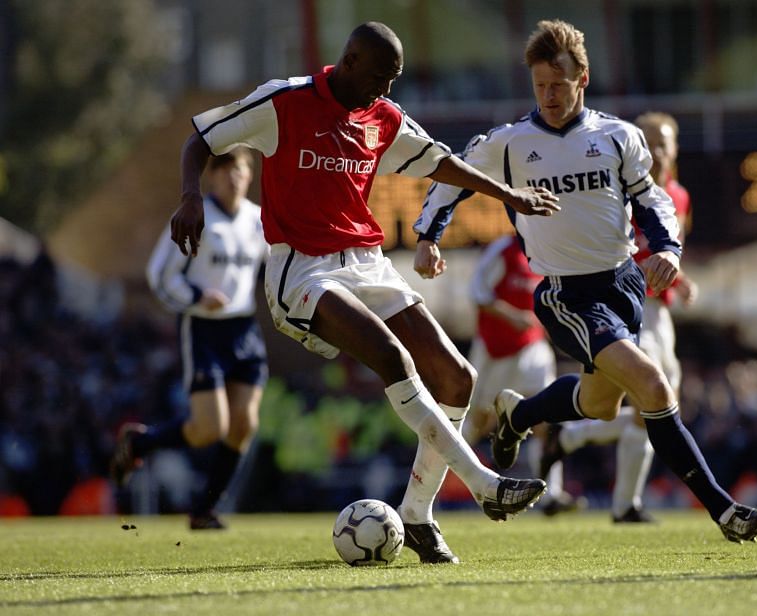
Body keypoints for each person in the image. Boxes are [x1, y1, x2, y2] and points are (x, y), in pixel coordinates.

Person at [167, 22, 561, 563]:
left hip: (369, 264)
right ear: (349, 61)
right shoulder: (284, 101)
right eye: (380, 76)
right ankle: (483, 482)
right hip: (303, 271)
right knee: (392, 357)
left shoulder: (383, 116)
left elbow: (439, 161)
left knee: (457, 376)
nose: (388, 90)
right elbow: (201, 139)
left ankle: (418, 517)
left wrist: (508, 194)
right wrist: (190, 196)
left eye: (394, 79)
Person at [413, 19, 757, 543]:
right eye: (540, 86)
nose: (549, 96)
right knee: (652, 385)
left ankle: (520, 414)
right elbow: (451, 175)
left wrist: (669, 251)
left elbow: (652, 201)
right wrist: (427, 235)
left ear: (582, 78)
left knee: (603, 404)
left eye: (558, 85)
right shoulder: (511, 143)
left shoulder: (617, 136)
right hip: (566, 294)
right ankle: (725, 511)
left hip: (624, 286)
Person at [537, 111, 699, 523]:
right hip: (624, 309)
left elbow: (663, 251)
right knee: (656, 403)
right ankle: (624, 501)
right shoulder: (617, 188)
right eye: (649, 142)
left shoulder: (678, 196)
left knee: (656, 407)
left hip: (660, 311)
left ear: (676, 149)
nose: (657, 152)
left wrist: (680, 280)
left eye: (664, 143)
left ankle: (576, 440)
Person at [110, 147, 269, 530]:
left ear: (250, 176)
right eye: (225, 169)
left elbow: (274, 268)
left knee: (244, 425)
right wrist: (198, 298)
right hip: (203, 329)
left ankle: (205, 509)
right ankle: (139, 444)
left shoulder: (259, 221)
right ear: (211, 176)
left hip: (244, 329)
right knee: (208, 429)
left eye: (241, 169)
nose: (233, 177)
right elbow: (160, 274)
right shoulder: (196, 217)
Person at [463, 234, 582, 516]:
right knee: (478, 422)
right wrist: (512, 316)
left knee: (547, 419)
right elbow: (477, 293)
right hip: (495, 352)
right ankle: (436, 485)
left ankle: (552, 495)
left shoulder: (550, 251)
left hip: (532, 347)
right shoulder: (503, 250)